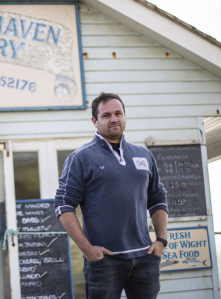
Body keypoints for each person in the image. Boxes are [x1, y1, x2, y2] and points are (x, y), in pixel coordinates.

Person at [54, 92, 168, 299]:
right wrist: (88, 250)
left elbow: (158, 198)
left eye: (118, 113)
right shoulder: (81, 158)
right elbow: (63, 206)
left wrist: (161, 240)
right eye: (106, 115)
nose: (114, 119)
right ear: (94, 121)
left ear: (124, 116)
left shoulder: (143, 155)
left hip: (145, 257)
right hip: (104, 261)